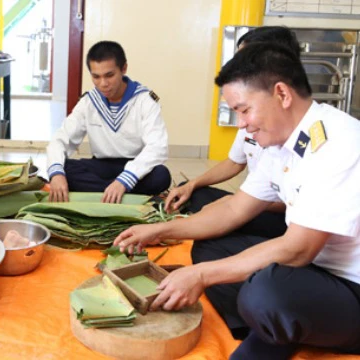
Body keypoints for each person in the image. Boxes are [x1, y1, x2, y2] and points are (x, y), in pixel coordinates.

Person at [114, 43, 360, 359]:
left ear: (282, 95)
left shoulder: (338, 143)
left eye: (244, 110)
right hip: (318, 272)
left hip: (351, 286)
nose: (241, 123)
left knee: (264, 292)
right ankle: (281, 324)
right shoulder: (280, 144)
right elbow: (234, 209)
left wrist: (202, 276)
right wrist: (161, 230)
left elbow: (298, 248)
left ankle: (279, 323)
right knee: (208, 248)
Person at [165, 26, 301, 239]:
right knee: (192, 194)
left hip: (277, 214)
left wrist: (234, 202)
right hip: (252, 200)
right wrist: (192, 184)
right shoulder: (252, 112)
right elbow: (235, 162)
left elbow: (292, 202)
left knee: (214, 235)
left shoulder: (299, 127)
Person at [46, 40, 171, 204]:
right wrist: (57, 175)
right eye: (96, 77)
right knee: (64, 168)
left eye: (109, 75)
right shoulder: (89, 102)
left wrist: (124, 181)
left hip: (134, 166)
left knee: (161, 175)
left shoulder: (144, 100)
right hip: (101, 166)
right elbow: (60, 139)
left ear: (123, 69)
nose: (103, 84)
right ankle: (118, 195)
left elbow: (157, 147)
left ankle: (103, 193)